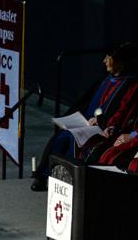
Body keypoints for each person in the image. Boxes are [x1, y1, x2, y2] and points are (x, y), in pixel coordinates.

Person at [32, 42, 138, 190]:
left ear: (120, 63)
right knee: (61, 135)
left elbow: (124, 114)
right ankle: (45, 176)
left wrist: (107, 125)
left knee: (70, 138)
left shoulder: (131, 85)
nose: (104, 61)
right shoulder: (106, 79)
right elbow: (88, 103)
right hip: (91, 124)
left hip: (108, 131)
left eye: (109, 58)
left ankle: (70, 183)